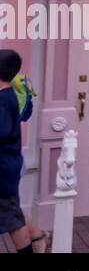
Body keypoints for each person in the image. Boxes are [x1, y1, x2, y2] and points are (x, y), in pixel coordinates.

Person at [1, 50, 35, 253]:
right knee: (12, 218)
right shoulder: (6, 96)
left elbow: (2, 131)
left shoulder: (4, 100)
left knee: (13, 221)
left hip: (3, 170)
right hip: (7, 166)